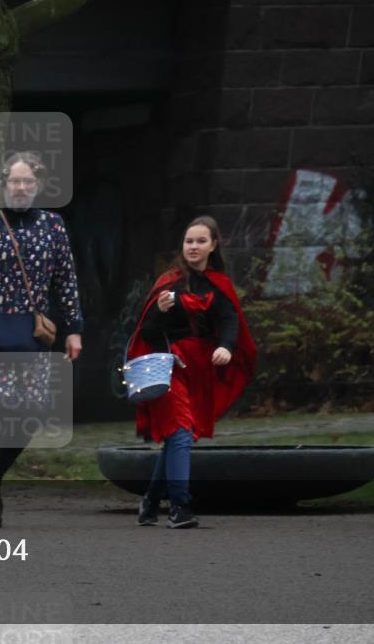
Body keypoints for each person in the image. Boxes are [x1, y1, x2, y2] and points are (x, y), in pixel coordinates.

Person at [0, 151, 83, 529]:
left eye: (27, 182)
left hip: (33, 341)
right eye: (14, 181)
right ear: (4, 184)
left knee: (30, 418)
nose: (20, 188)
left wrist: (74, 328)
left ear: (37, 185)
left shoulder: (53, 227)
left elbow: (66, 282)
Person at [127, 215, 255, 529]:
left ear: (213, 245)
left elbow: (229, 320)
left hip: (200, 369)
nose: (193, 247)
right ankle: (180, 506)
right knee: (181, 433)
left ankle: (151, 500)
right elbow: (147, 330)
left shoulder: (219, 284)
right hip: (169, 365)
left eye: (200, 241)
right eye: (189, 241)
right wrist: (159, 311)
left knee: (176, 437)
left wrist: (226, 345)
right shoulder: (169, 282)